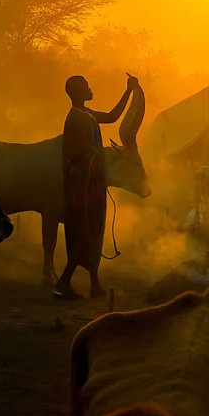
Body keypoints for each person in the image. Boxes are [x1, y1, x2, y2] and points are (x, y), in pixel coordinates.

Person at [54, 73, 138, 299]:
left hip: (91, 184)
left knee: (93, 231)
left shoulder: (85, 115)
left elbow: (112, 116)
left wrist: (129, 91)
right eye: (88, 87)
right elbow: (74, 152)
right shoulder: (76, 118)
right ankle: (64, 282)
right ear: (80, 91)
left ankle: (94, 284)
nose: (92, 89)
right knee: (84, 232)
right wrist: (99, 152)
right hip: (82, 188)